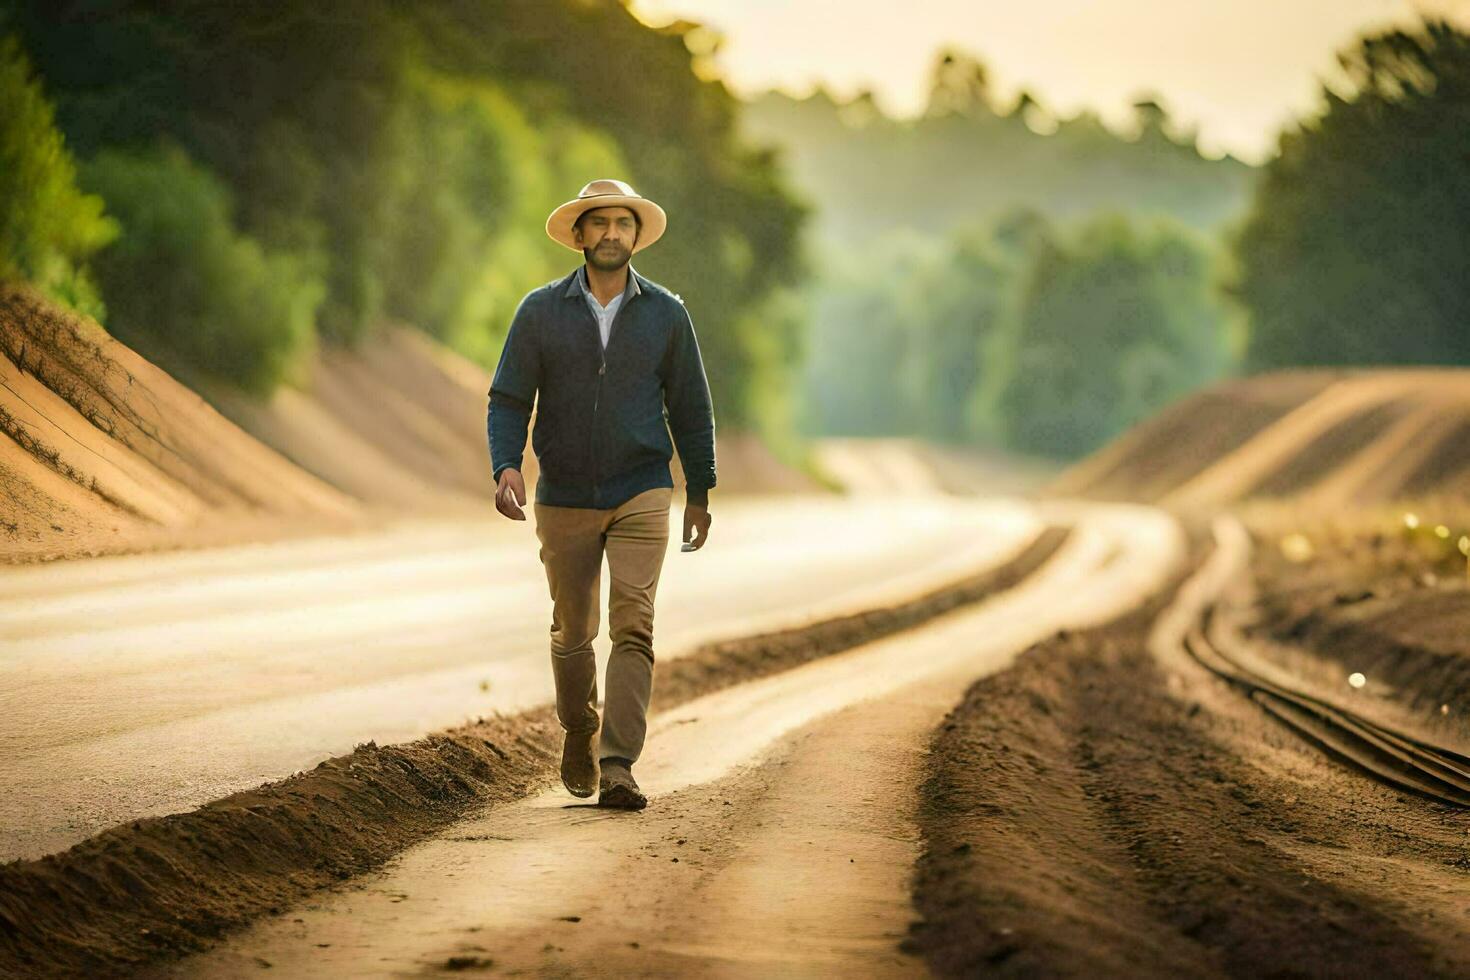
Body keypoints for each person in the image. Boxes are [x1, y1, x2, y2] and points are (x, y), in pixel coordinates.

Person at [486, 179, 716, 810]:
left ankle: (618, 763)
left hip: (642, 488)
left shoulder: (667, 315)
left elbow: (692, 408)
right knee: (572, 630)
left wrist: (700, 488)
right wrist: (507, 465)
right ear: (580, 235)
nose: (612, 233)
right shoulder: (539, 311)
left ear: (636, 236)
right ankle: (579, 727)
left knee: (634, 625)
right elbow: (508, 398)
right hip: (563, 493)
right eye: (601, 223)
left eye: (624, 223)